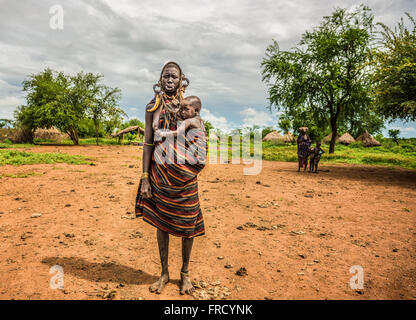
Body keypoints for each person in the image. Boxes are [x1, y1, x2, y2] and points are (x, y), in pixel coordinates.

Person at [135, 61, 207, 296]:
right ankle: (164, 272)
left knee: (189, 225)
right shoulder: (152, 107)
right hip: (159, 175)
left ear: (181, 80)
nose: (169, 80)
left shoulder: (189, 107)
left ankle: (185, 273)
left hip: (184, 178)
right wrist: (145, 177)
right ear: (159, 79)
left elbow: (199, 136)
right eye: (166, 76)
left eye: (174, 77)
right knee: (161, 223)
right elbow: (147, 143)